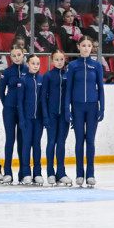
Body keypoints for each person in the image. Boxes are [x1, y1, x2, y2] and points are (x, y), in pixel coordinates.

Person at [64, 37, 105, 186]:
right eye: (84, 45)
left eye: (89, 45)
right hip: (77, 107)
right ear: (78, 47)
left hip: (93, 107)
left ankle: (91, 174)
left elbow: (101, 88)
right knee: (79, 140)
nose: (86, 48)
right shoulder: (73, 65)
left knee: (90, 141)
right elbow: (68, 88)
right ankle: (79, 174)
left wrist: (102, 108)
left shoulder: (97, 65)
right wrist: (67, 109)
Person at [42, 50, 72, 186]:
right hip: (52, 114)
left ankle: (61, 173)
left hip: (64, 115)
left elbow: (71, 96)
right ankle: (50, 172)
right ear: (52, 61)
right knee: (51, 142)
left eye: (61, 59)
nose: (59, 62)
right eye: (56, 59)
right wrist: (45, 116)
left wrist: (70, 113)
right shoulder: (48, 75)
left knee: (61, 143)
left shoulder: (68, 75)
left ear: (64, 60)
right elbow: (43, 98)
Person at [0, 46, 28, 184]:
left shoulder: (28, 70)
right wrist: (7, 104)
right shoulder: (7, 72)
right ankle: (7, 172)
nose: (17, 58)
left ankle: (23, 173)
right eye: (14, 55)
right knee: (10, 140)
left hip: (24, 111)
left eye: (19, 55)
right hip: (10, 110)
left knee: (22, 141)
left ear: (23, 55)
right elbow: (1, 91)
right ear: (10, 57)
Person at [18, 54, 45, 185]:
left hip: (38, 119)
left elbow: (43, 100)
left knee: (37, 145)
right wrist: (22, 119)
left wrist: (44, 117)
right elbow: (20, 102)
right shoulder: (23, 80)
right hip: (27, 119)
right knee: (26, 145)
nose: (35, 66)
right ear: (27, 64)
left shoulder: (41, 79)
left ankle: (37, 173)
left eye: (37, 64)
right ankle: (26, 173)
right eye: (33, 63)